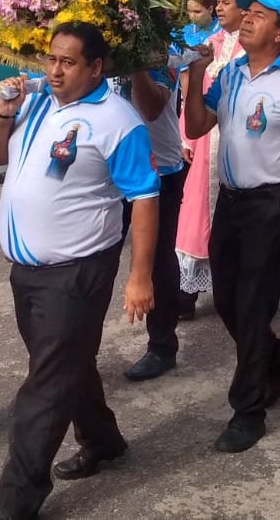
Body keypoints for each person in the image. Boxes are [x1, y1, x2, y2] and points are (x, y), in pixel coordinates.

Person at [0, 22, 160, 520]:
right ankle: (104, 441)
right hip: (27, 270)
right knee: (66, 363)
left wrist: (139, 276)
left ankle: (17, 501)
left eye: (67, 62)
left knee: (44, 385)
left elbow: (145, 199)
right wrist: (3, 113)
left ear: (96, 67)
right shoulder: (36, 102)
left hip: (77, 270)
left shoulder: (117, 120)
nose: (54, 71)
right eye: (50, 59)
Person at [183, 0, 280, 453]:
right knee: (226, 300)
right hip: (231, 200)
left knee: (252, 304)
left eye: (258, 16)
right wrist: (196, 72)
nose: (245, 20)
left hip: (274, 204)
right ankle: (278, 356)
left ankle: (247, 410)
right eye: (246, 13)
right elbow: (196, 127)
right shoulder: (230, 74)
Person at [177, 0, 254, 318]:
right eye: (218, 3)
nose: (219, 8)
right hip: (206, 139)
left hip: (239, 143)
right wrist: (186, 137)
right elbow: (191, 93)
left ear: (245, 8)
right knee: (194, 213)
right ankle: (186, 293)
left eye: (226, 3)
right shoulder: (210, 43)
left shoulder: (255, 47)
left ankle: (237, 288)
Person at [116, 46, 190, 383]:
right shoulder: (97, 41)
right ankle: (79, 346)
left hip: (161, 168)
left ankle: (162, 347)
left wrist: (135, 64)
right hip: (110, 172)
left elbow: (151, 106)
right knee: (95, 260)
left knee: (158, 260)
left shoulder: (163, 50)